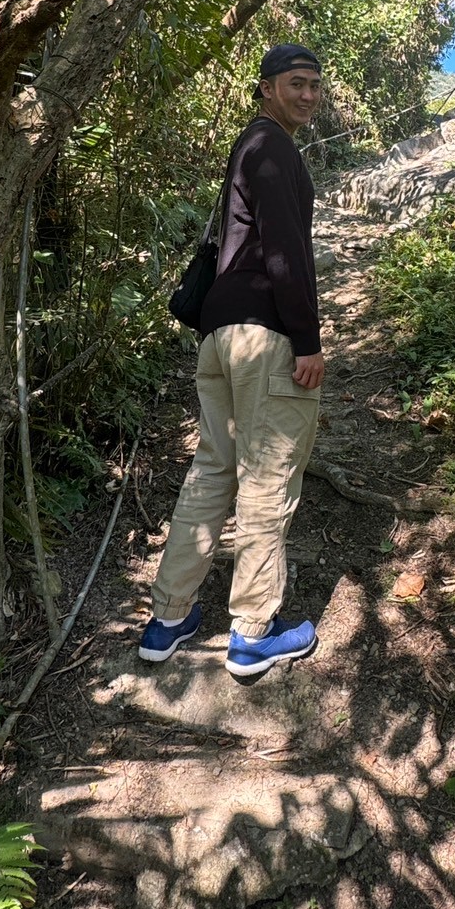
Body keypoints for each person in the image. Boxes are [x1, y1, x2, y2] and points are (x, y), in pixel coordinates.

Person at [139, 44, 326, 676]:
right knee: (268, 476)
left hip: (219, 333)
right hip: (263, 335)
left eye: (314, 86)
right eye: (296, 84)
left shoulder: (246, 147)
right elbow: (284, 254)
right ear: (267, 88)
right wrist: (307, 339)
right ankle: (252, 633)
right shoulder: (272, 147)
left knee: (214, 469)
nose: (308, 95)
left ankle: (168, 619)